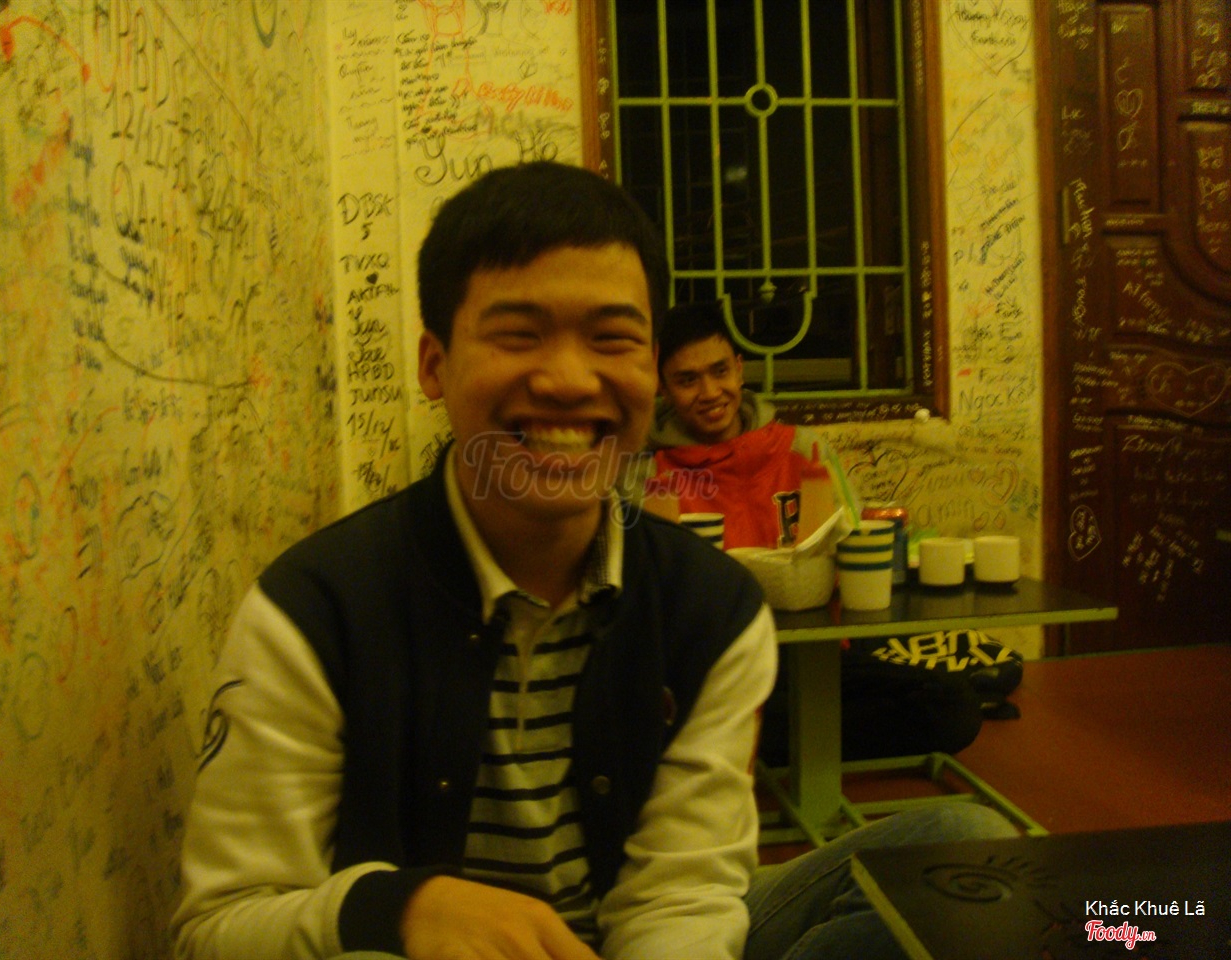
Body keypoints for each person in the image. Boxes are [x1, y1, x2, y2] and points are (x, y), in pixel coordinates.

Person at [171, 161, 1014, 960]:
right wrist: (401, 907)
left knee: (967, 849)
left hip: (627, 941)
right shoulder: (314, 611)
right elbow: (219, 929)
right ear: (435, 365)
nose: (571, 381)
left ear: (650, 371)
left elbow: (678, 898)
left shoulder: (713, 610)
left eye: (613, 339)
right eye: (518, 335)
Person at [636, 301, 984, 764]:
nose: (711, 392)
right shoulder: (648, 475)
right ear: (663, 388)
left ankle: (755, 741)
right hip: (711, 672)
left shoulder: (803, 449)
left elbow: (855, 545)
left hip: (812, 660)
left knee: (953, 705)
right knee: (649, 717)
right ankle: (778, 737)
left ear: (739, 368)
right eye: (687, 380)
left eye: (720, 371)